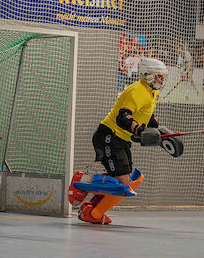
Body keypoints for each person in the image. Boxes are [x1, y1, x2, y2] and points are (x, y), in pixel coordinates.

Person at [69, 58, 171, 224]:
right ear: (145, 75)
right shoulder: (138, 90)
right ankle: (81, 180)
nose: (161, 80)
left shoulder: (151, 93)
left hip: (121, 140)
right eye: (157, 76)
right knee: (122, 183)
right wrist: (139, 130)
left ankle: (91, 211)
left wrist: (159, 130)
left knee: (126, 182)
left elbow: (146, 115)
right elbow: (123, 117)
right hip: (109, 136)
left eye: (162, 76)